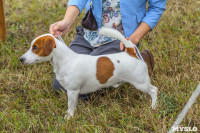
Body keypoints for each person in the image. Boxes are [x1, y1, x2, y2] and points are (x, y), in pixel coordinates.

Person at [49, 0, 167, 100]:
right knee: (61, 86)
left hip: (120, 38)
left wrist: (134, 38)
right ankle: (130, 65)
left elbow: (156, 8)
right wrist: (66, 22)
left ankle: (136, 64)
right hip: (90, 33)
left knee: (84, 90)